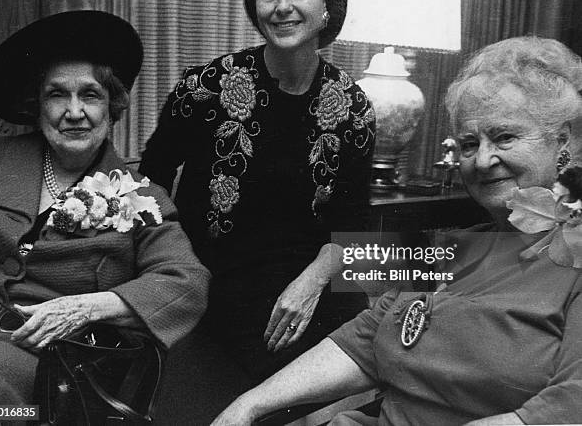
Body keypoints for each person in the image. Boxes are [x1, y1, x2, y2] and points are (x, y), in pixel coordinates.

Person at [212, 36, 582, 426]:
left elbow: (572, 402)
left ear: (560, 142)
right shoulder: (455, 248)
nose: (484, 160)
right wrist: (248, 405)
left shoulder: (574, 260)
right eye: (470, 144)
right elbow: (365, 339)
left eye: (505, 137)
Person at [140, 0, 374, 384]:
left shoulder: (352, 105)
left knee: (362, 357)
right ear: (255, 7)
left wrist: (311, 283)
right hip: (216, 276)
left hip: (311, 279)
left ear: (328, 3)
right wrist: (166, 261)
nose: (282, 6)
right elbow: (152, 178)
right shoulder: (206, 86)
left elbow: (354, 221)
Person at [0, 10, 210, 419]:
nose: (74, 111)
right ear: (37, 104)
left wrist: (84, 308)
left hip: (38, 368)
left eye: (91, 95)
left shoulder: (140, 197)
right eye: (57, 94)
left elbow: (187, 283)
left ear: (112, 106)